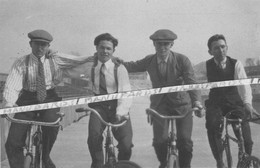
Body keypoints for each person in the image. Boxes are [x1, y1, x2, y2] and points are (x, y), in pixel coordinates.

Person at [3, 29, 92, 168]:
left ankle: (45, 157)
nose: (40, 48)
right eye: (37, 44)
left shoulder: (55, 59)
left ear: (48, 46)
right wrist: (8, 104)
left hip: (49, 98)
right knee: (13, 142)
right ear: (30, 44)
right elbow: (12, 85)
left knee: (52, 124)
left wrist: (98, 57)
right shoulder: (21, 62)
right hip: (27, 100)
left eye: (44, 45)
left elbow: (77, 60)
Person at [118, 29, 204, 168]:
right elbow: (132, 66)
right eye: (159, 44)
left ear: (172, 45)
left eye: (166, 44)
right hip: (159, 107)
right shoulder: (150, 60)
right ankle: (164, 163)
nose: (162, 47)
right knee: (159, 141)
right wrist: (117, 62)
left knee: (185, 142)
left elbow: (191, 82)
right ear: (154, 44)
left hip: (181, 106)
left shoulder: (182, 60)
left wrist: (197, 102)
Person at [66, 33, 133, 168]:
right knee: (93, 138)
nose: (105, 51)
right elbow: (69, 68)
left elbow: (125, 93)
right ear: (96, 48)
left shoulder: (119, 68)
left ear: (113, 50)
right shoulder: (90, 66)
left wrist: (120, 113)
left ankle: (122, 165)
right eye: (102, 47)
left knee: (126, 144)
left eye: (109, 48)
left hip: (118, 106)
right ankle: (97, 164)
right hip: (98, 107)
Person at [203, 34, 256, 168]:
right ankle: (220, 160)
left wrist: (247, 103)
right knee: (212, 126)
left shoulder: (236, 64)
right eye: (216, 48)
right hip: (215, 104)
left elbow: (244, 85)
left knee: (247, 139)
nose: (220, 50)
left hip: (234, 103)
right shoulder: (206, 66)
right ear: (210, 51)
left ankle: (244, 161)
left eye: (223, 47)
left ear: (227, 48)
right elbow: (194, 83)